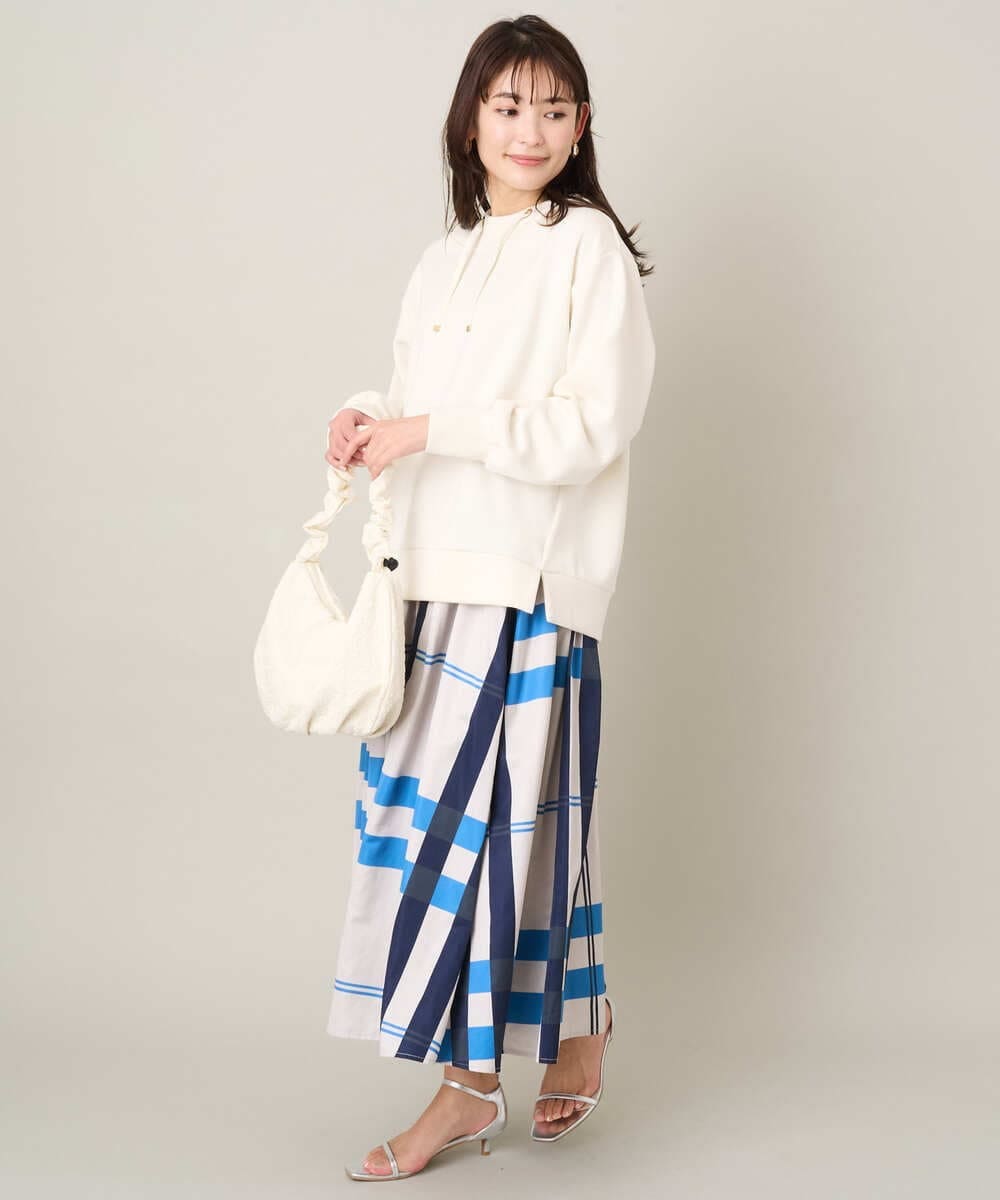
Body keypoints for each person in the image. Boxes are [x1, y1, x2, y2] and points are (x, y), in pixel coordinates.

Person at [323, 14, 656, 1182]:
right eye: (510, 107)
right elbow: (421, 392)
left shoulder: (587, 250)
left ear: (581, 126)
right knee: (510, 829)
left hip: (526, 584)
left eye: (555, 109)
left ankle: (466, 1090)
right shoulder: (446, 255)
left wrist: (429, 429)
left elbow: (590, 426)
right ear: (471, 120)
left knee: (486, 846)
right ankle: (578, 1022)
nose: (531, 130)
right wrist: (371, 415)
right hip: (430, 583)